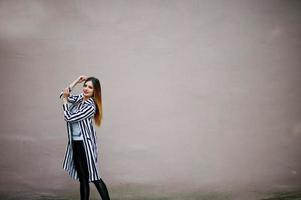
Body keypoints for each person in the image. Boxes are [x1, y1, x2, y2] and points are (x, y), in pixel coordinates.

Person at [60, 75, 110, 200]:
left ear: (95, 92)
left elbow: (68, 117)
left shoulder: (90, 106)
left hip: (85, 145)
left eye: (90, 87)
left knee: (95, 177)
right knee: (83, 179)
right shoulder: (80, 99)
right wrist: (76, 81)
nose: (86, 89)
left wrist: (65, 101)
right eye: (85, 86)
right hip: (76, 143)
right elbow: (63, 94)